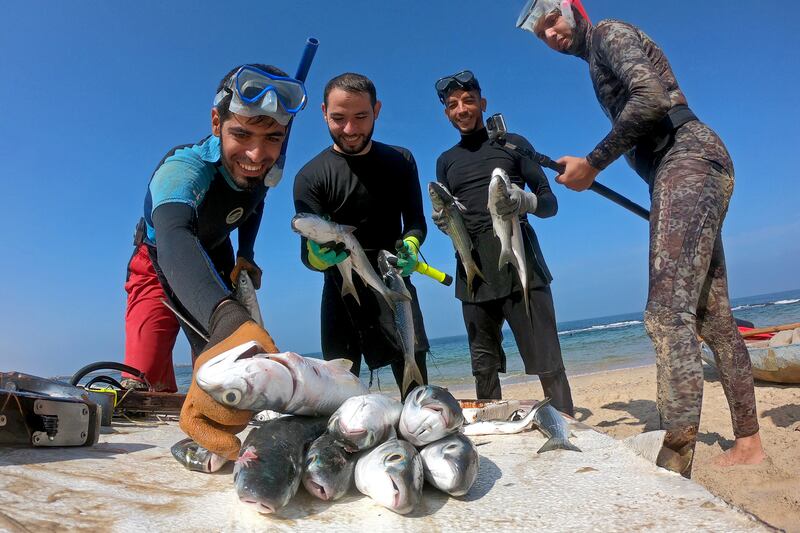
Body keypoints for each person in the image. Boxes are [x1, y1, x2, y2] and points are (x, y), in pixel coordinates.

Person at [516, 0, 766, 474]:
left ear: (573, 7)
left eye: (552, 18)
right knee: (711, 317)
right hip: (689, 168)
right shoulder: (595, 60)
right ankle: (750, 441)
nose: (550, 33)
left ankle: (675, 459)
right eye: (540, 32)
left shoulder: (608, 32)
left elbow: (650, 98)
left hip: (686, 160)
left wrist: (593, 163)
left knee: (666, 314)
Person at [122, 63, 307, 460]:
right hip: (158, 259)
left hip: (218, 251)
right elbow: (174, 235)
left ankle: (204, 430)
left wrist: (246, 254)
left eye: (272, 137)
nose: (256, 155)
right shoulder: (183, 168)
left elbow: (253, 204)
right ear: (215, 122)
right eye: (241, 134)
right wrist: (227, 314)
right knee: (142, 379)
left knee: (219, 370)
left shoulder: (265, 168)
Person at [433, 70, 574, 416]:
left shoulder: (512, 144)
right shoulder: (445, 162)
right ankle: (493, 429)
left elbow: (550, 204)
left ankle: (566, 425)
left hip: (524, 264)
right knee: (484, 367)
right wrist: (445, 223)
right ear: (447, 113)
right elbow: (453, 211)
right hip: (474, 270)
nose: (462, 109)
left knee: (548, 361)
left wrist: (525, 201)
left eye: (468, 101)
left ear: (482, 103)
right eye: (453, 105)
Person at [293, 72, 429, 399]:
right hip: (341, 289)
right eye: (338, 118)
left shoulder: (401, 161)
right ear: (324, 112)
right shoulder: (309, 177)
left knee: (416, 388)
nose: (350, 129)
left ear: (377, 110)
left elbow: (415, 220)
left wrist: (411, 243)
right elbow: (307, 254)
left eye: (361, 117)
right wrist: (316, 256)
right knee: (341, 393)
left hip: (393, 280)